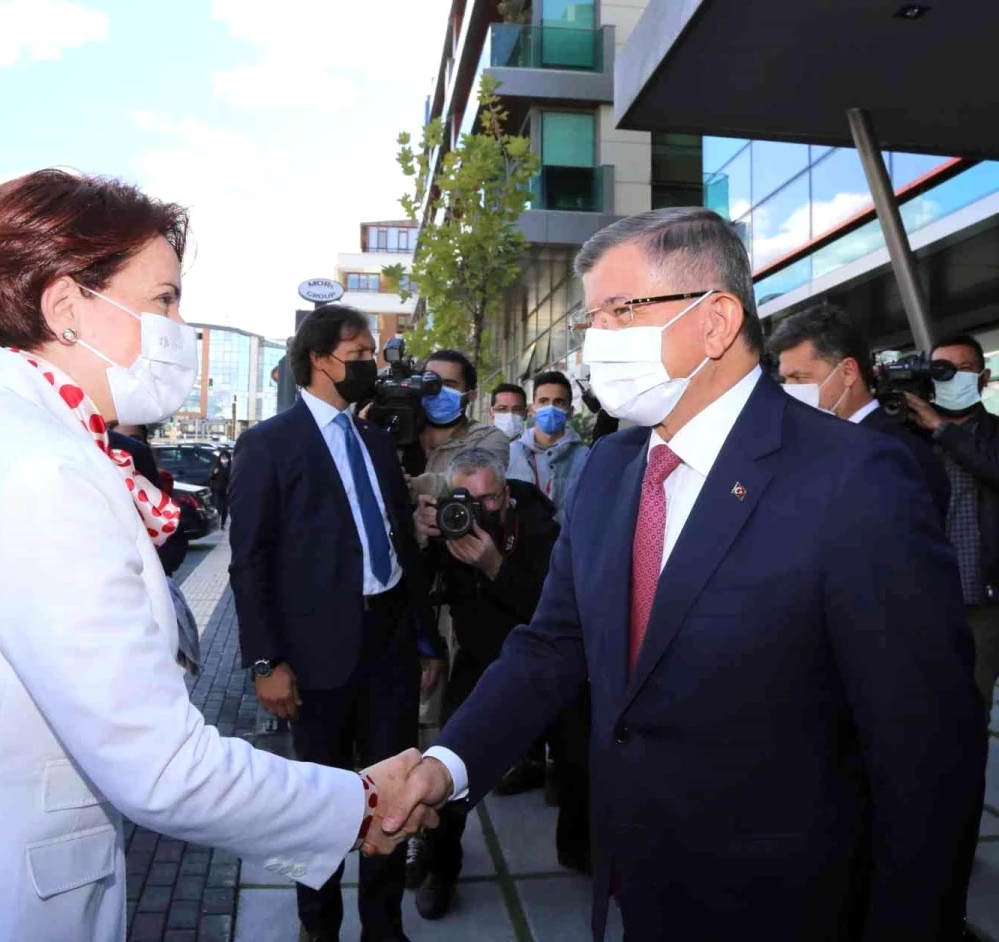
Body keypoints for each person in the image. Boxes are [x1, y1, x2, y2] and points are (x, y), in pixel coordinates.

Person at [0, 170, 424, 942]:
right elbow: (157, 763)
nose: (179, 326)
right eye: (163, 299)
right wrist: (357, 803)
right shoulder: (37, 468)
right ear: (66, 309)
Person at [383, 207, 985, 941]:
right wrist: (446, 765)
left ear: (717, 319)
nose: (597, 340)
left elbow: (923, 746)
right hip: (637, 880)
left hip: (789, 904)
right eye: (592, 319)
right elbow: (553, 643)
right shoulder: (610, 467)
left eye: (621, 311)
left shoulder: (855, 478)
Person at [229, 302, 444, 942]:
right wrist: (265, 661)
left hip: (389, 648)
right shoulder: (268, 445)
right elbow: (249, 562)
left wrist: (424, 637)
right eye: (360, 355)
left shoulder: (377, 442)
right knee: (317, 810)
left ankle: (383, 927)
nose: (372, 365)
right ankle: (317, 927)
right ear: (321, 361)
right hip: (315, 656)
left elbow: (399, 545)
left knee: (395, 796)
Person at [410, 449, 561, 919]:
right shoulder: (447, 527)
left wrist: (496, 566)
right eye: (463, 499)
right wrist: (417, 539)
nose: (475, 512)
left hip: (548, 659)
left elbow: (554, 611)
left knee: (582, 763)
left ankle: (585, 847)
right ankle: (441, 866)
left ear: (507, 495)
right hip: (478, 662)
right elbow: (414, 591)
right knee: (451, 761)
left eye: (488, 500)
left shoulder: (540, 528)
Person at [770, 302, 950, 519]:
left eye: (800, 378)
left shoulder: (896, 456)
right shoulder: (809, 444)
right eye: (785, 380)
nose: (789, 391)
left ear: (847, 372)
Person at [904, 333, 999, 712]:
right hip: (921, 595)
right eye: (944, 370)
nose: (953, 378)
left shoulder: (995, 434)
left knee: (970, 707)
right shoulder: (906, 434)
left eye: (964, 369)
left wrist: (942, 429)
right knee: (920, 707)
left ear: (984, 377)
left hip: (982, 600)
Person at [407, 350, 511, 500]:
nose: (437, 391)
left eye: (449, 384)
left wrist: (409, 486)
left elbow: (472, 481)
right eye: (430, 383)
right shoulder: (399, 433)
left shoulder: (488, 437)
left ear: (470, 396)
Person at [508, 370, 590, 523]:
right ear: (532, 409)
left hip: (565, 543)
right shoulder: (511, 454)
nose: (550, 408)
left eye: (559, 402)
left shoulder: (585, 457)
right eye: (544, 401)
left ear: (570, 411)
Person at [109, 423, 189, 577]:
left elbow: (175, 537)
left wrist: (159, 567)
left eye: (134, 440)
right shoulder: (101, 484)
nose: (127, 447)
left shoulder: (159, 484)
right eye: (120, 441)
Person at [209, 450, 231, 529]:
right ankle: (217, 523)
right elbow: (211, 477)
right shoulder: (216, 465)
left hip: (226, 490)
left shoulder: (230, 467)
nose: (224, 458)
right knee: (217, 506)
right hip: (217, 489)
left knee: (225, 508)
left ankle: (222, 523)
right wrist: (214, 473)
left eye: (226, 457)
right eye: (223, 457)